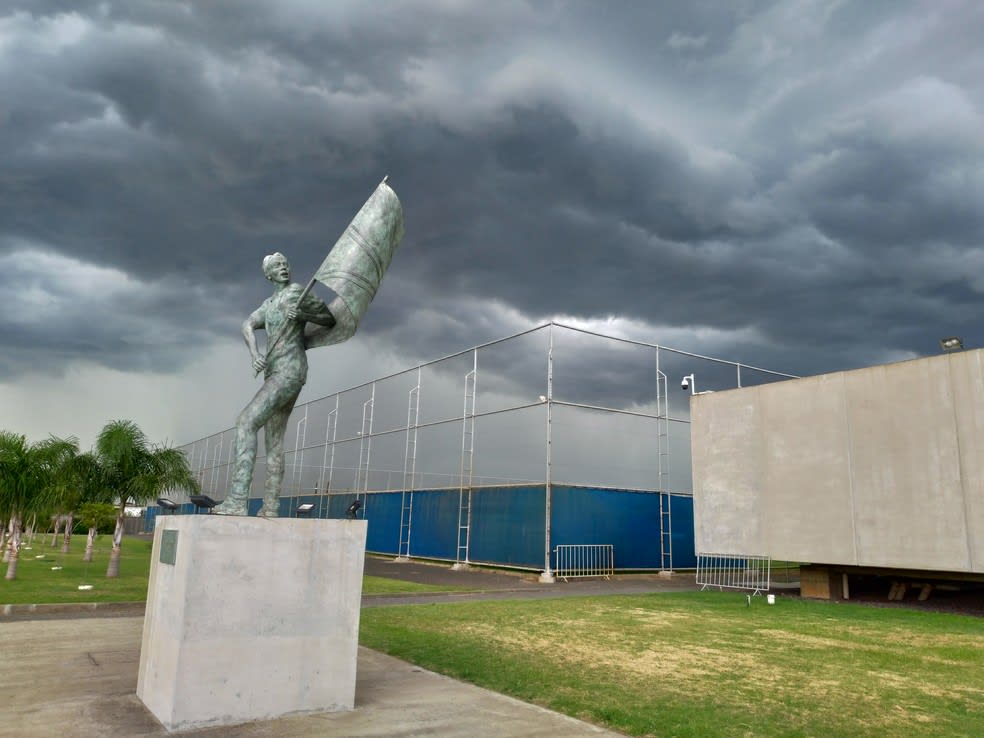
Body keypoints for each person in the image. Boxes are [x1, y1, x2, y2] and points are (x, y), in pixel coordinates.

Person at [214, 253, 335, 517]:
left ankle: (236, 500)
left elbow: (328, 318)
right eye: (276, 267)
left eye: (285, 265)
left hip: (289, 372)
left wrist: (301, 313)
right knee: (275, 442)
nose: (283, 269)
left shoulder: (296, 293)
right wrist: (255, 354)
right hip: (274, 372)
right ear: (268, 275)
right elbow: (247, 324)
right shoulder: (268, 304)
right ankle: (271, 507)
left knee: (246, 422)